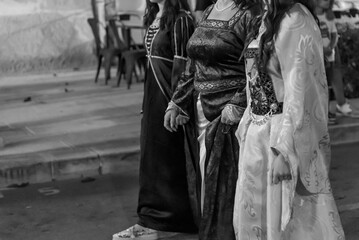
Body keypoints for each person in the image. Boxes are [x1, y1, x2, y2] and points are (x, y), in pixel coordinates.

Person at [233, 0, 345, 239]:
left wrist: (286, 151)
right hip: (258, 137)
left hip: (280, 134)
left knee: (293, 224)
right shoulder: (265, 16)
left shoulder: (295, 19)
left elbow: (301, 90)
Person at [164, 1, 261, 239]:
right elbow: (194, 64)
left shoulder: (250, 14)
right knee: (207, 185)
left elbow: (256, 69)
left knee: (231, 187)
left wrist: (237, 105)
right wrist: (177, 101)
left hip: (231, 117)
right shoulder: (209, 10)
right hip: (202, 111)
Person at [112, 0, 196, 239]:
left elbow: (185, 67)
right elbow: (152, 67)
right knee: (151, 160)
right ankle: (149, 220)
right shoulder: (153, 18)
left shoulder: (181, 20)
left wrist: (177, 104)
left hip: (170, 100)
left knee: (169, 161)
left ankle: (169, 220)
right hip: (153, 99)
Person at [316, 0, 353, 125]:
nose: (327, 2)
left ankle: (330, 111)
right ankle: (323, 112)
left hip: (329, 57)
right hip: (315, 57)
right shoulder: (309, 17)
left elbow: (334, 35)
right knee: (319, 84)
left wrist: (330, 48)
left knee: (327, 84)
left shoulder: (329, 17)